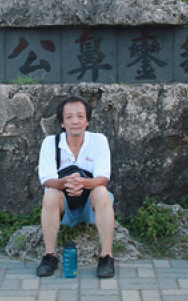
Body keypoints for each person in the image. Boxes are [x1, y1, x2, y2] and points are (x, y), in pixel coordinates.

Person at [36, 95, 116, 278]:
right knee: (50, 193)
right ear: (62, 123)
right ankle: (49, 255)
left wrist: (82, 182)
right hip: (64, 206)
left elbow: (103, 178)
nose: (75, 122)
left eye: (80, 116)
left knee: (102, 192)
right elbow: (48, 180)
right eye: (69, 117)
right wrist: (66, 183)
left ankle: (107, 256)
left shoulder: (98, 140)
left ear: (87, 121)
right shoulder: (51, 143)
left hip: (91, 205)